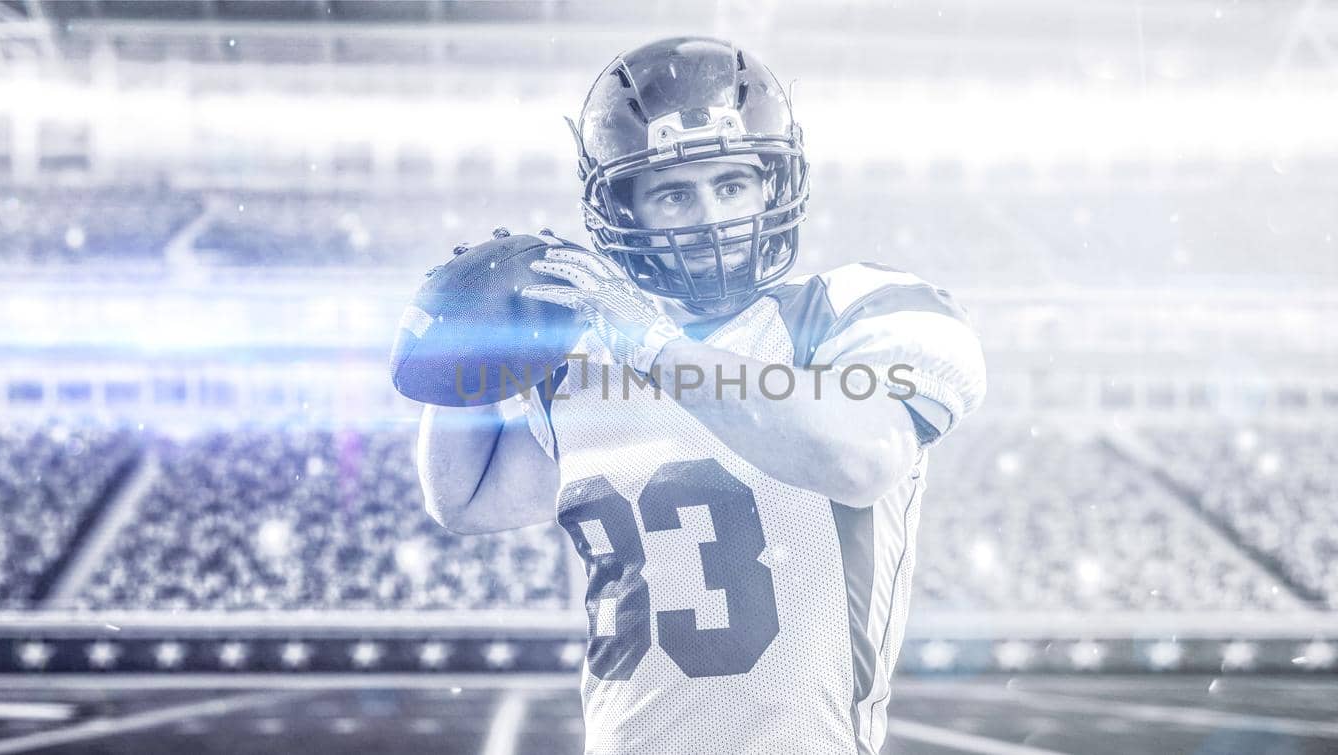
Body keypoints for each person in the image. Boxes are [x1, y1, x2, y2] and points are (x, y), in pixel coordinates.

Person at [413, 36, 986, 755]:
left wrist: (656, 346)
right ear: (626, 210)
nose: (710, 216)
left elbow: (858, 460)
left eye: (732, 184)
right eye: (675, 193)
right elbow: (467, 500)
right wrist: (464, 361)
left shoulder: (853, 309)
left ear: (774, 184)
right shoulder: (586, 359)